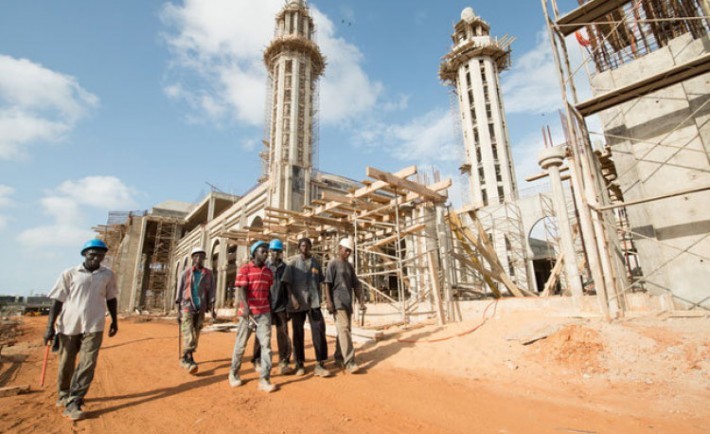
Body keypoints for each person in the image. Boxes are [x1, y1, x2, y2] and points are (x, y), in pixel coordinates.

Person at [43, 239, 119, 421]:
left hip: (95, 325)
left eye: (100, 255)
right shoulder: (70, 274)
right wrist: (49, 327)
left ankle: (75, 400)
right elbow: (57, 301)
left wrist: (115, 321)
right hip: (69, 325)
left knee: (88, 363)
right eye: (93, 254)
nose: (96, 258)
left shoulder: (108, 275)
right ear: (85, 254)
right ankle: (63, 393)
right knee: (66, 363)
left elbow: (111, 299)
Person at [228, 241, 277, 393]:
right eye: (263, 251)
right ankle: (233, 373)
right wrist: (246, 308)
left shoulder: (268, 272)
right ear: (255, 252)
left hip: (264, 314)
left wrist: (270, 310)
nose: (266, 254)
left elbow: (268, 292)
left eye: (266, 252)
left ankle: (264, 379)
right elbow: (242, 289)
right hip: (248, 315)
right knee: (241, 344)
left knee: (266, 346)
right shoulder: (245, 269)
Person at [282, 237, 331, 377]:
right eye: (302, 245)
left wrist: (326, 300)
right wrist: (293, 299)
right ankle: (299, 364)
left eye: (307, 245)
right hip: (297, 303)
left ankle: (320, 364)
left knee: (319, 330)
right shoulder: (292, 263)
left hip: (313, 302)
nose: (304, 248)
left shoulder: (316, 262)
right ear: (299, 247)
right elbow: (286, 283)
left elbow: (322, 280)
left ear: (310, 246)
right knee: (298, 333)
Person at [251, 239, 294, 375]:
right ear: (270, 252)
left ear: (281, 252)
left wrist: (288, 307)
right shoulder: (265, 267)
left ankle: (284, 361)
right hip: (266, 306)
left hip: (281, 306)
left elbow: (288, 288)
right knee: (261, 335)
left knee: (283, 335)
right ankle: (257, 359)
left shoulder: (285, 268)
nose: (276, 253)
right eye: (274, 251)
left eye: (279, 251)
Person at [324, 238, 366, 374]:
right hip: (338, 302)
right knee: (344, 330)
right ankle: (350, 361)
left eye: (350, 251)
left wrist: (361, 301)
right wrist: (329, 302)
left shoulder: (349, 266)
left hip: (348, 303)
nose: (348, 253)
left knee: (344, 330)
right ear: (339, 248)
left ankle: (338, 356)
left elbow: (357, 284)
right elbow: (327, 284)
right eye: (346, 250)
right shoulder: (333, 264)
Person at [175, 246, 216, 374]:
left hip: (201, 308)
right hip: (187, 306)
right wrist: (178, 311)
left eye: (202, 256)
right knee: (188, 333)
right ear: (193, 258)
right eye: (197, 256)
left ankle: (185, 356)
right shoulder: (185, 273)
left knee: (196, 333)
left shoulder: (208, 274)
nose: (199, 259)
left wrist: (213, 308)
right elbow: (179, 292)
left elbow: (212, 291)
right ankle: (189, 359)